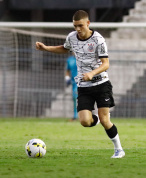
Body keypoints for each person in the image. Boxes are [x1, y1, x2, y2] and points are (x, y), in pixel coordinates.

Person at [35, 10, 125, 158]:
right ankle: (95, 120)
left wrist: (92, 73)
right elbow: (64, 49)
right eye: (75, 26)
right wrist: (46, 48)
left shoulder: (98, 40)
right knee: (84, 121)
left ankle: (119, 149)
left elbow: (106, 64)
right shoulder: (72, 37)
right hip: (84, 87)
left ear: (88, 23)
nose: (78, 29)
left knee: (105, 120)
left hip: (101, 84)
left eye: (81, 25)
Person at [65, 55, 78, 121]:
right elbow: (67, 71)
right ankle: (75, 116)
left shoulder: (84, 58)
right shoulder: (69, 60)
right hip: (74, 83)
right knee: (75, 98)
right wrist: (67, 79)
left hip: (84, 82)